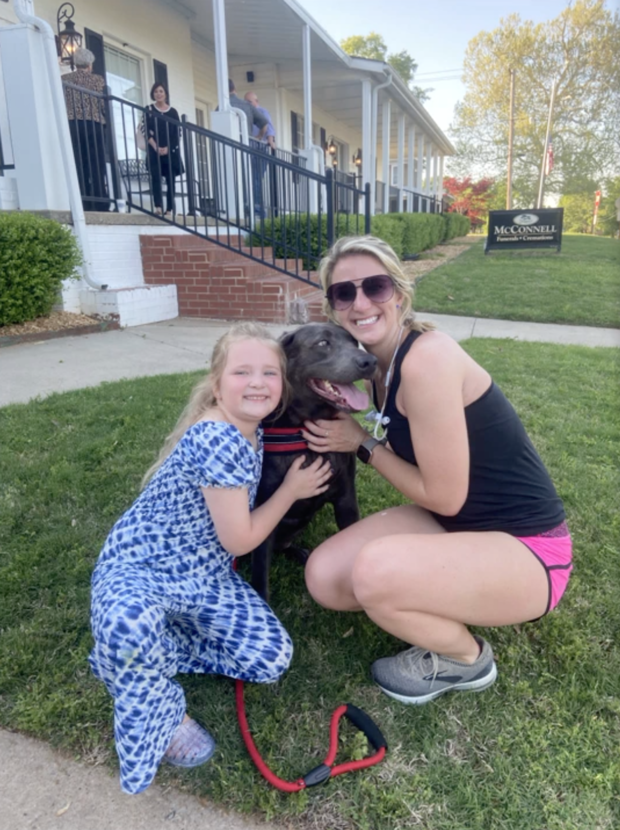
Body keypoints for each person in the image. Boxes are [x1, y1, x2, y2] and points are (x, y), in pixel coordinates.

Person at [302, 235, 572, 706]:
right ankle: (437, 588)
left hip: (530, 552)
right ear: (333, 307)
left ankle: (466, 659)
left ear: (400, 294)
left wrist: (360, 443)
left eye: (376, 287)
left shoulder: (426, 359)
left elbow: (444, 496)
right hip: (459, 526)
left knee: (372, 572)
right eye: (343, 293)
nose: (360, 302)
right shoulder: (378, 369)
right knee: (323, 575)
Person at [89, 322, 332, 794]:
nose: (257, 382)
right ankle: (158, 706)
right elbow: (241, 541)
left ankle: (137, 654)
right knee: (129, 626)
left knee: (270, 658)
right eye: (242, 372)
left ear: (283, 385)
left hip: (201, 574)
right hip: (140, 570)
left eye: (269, 373)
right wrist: (290, 490)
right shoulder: (218, 438)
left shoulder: (249, 429)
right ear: (217, 384)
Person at [62, 47, 108, 211]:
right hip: (93, 124)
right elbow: (103, 104)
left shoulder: (65, 79)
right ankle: (100, 201)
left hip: (73, 124)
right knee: (96, 163)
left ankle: (81, 200)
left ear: (75, 63)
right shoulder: (98, 80)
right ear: (89, 64)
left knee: (78, 162)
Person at [144, 83, 182, 217]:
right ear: (153, 94)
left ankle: (169, 209)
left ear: (165, 94)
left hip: (170, 151)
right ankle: (158, 206)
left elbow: (178, 133)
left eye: (161, 91)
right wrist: (155, 147)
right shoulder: (148, 109)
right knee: (156, 178)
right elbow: (146, 131)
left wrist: (168, 148)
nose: (158, 94)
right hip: (154, 150)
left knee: (170, 179)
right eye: (155, 92)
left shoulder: (173, 112)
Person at [244, 91, 276, 218]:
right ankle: (252, 207)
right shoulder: (246, 113)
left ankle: (258, 210)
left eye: (250, 102)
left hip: (260, 150)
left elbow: (269, 126)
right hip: (250, 150)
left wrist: (270, 139)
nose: (248, 104)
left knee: (256, 179)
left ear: (256, 102)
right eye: (246, 102)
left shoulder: (262, 111)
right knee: (251, 180)